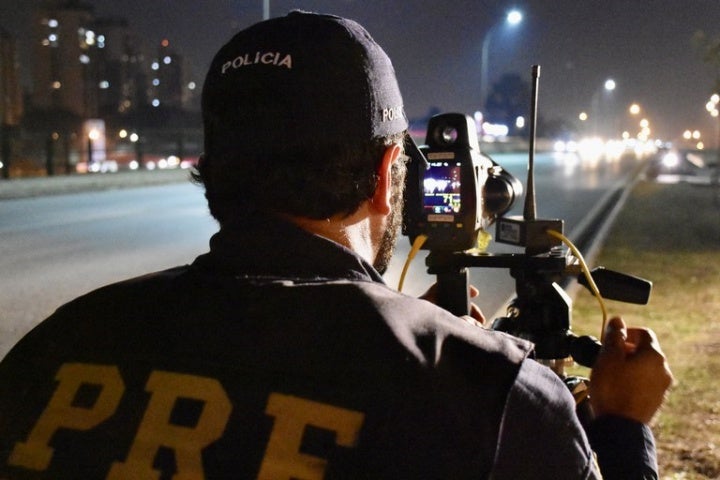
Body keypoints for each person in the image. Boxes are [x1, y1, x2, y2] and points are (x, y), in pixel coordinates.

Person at [0, 11, 672, 479]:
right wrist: (622, 426)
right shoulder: (494, 399)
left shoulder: (56, 344)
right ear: (386, 175)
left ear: (213, 170)